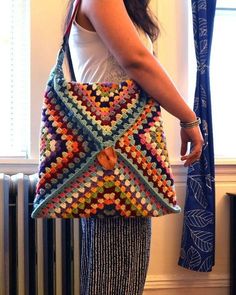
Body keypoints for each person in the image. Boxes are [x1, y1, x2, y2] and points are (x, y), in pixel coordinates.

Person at [64, 0, 204, 294]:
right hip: (113, 160)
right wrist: (188, 119)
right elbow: (137, 60)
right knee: (115, 274)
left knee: (121, 269)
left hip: (125, 157)